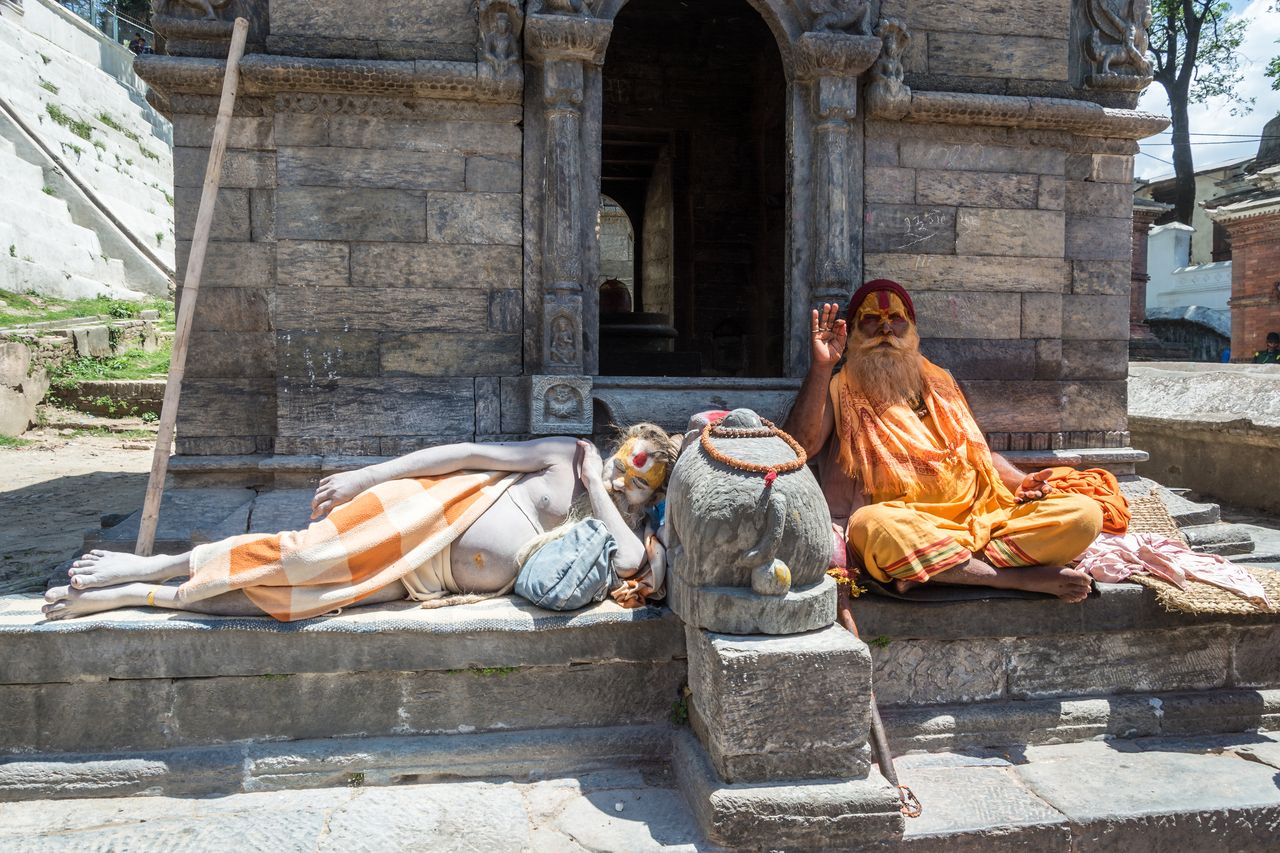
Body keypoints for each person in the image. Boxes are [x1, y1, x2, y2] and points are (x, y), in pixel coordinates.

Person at [43, 425, 679, 621]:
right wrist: (368, 475)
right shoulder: (563, 456)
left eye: (639, 478)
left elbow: (629, 565)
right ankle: (148, 566)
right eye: (624, 461)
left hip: (427, 583)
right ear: (618, 444)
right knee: (294, 556)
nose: (624, 475)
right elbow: (461, 456)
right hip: (419, 520)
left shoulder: (624, 526)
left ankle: (143, 596)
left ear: (651, 493)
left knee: (306, 601)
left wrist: (602, 490)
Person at [784, 279, 1102, 603]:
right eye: (871, 321)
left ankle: (941, 571)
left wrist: (1022, 482)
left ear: (912, 331)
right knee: (871, 526)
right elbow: (800, 447)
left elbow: (979, 456)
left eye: (895, 319)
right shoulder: (841, 386)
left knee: (1083, 514)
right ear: (852, 333)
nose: (885, 330)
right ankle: (1010, 578)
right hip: (908, 522)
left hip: (982, 518)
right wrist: (822, 367)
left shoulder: (941, 381)